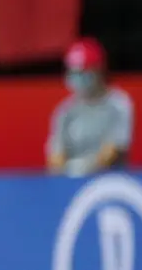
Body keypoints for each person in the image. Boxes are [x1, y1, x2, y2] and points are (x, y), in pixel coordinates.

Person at [47, 37, 132, 176]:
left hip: (109, 181)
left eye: (83, 72)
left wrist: (83, 169)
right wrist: (69, 173)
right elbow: (55, 157)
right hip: (70, 183)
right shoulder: (65, 111)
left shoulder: (119, 104)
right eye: (73, 73)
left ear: (98, 71)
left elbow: (114, 150)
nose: (78, 78)